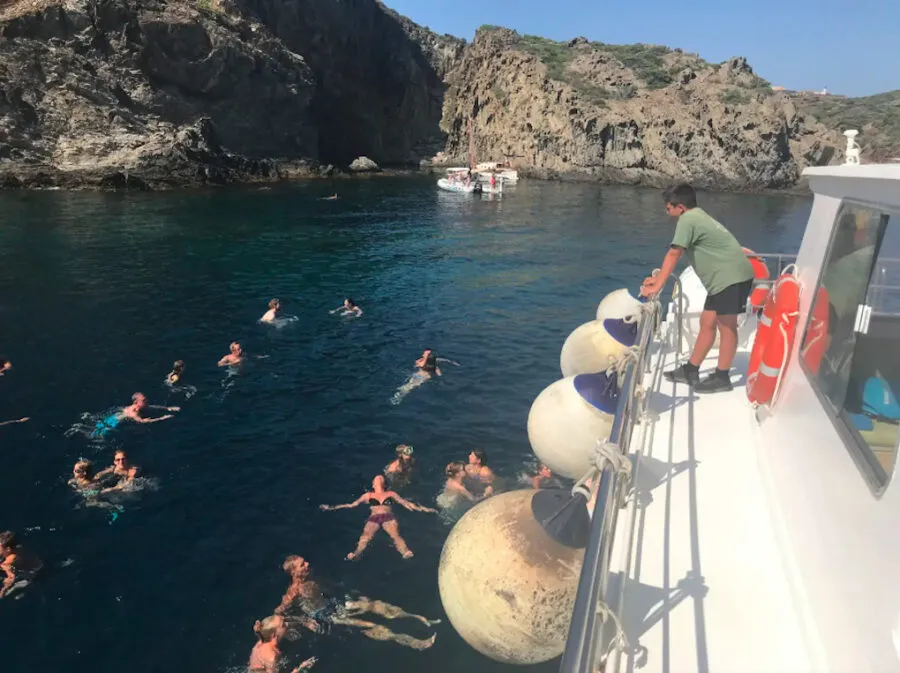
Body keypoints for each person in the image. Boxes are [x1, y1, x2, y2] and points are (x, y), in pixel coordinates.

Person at [640, 183, 755, 393]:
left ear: (680, 207)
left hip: (730, 278)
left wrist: (657, 285)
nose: (666, 211)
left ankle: (722, 378)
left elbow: (674, 253)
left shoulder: (688, 219)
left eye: (668, 207)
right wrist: (657, 280)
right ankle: (691, 370)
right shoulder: (697, 215)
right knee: (707, 321)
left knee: (727, 326)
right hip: (724, 278)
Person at [275, 556, 437, 650]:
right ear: (294, 572)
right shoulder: (293, 592)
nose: (307, 564)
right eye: (302, 564)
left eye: (305, 561)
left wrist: (352, 594)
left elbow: (330, 587)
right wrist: (303, 621)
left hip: (332, 603)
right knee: (370, 625)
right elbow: (279, 612)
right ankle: (416, 643)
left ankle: (416, 617)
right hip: (325, 615)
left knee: (374, 604)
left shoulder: (311, 576)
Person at [320, 475, 436, 560]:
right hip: (373, 518)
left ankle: (405, 552)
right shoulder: (368, 495)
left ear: (384, 483)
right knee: (365, 536)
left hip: (388, 517)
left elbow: (405, 503)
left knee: (395, 535)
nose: (379, 478)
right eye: (377, 478)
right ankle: (357, 553)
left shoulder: (391, 494)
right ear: (373, 484)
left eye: (381, 478)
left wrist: (425, 509)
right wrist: (331, 507)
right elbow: (351, 505)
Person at [249, 614, 317, 673]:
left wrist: (303, 622)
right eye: (283, 625)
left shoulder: (263, 638)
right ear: (274, 635)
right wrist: (300, 669)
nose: (287, 625)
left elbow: (286, 622)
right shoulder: (271, 657)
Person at [93, 393, 178, 436]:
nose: (146, 401)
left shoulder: (140, 406)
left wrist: (168, 408)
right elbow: (142, 421)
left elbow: (151, 407)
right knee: (100, 434)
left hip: (115, 417)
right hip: (115, 421)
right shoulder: (133, 412)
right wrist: (162, 418)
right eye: (144, 400)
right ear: (136, 402)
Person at [0, 531, 43, 599]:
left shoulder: (7, 562)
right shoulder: (18, 548)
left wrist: (3, 590)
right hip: (40, 565)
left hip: (31, 575)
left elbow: (11, 577)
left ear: (8, 549)